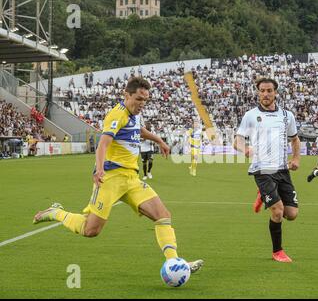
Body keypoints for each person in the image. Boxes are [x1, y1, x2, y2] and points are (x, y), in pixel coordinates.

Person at [33, 77, 203, 274]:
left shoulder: (135, 114)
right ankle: (55, 212)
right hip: (110, 178)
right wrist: (99, 170)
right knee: (91, 230)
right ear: (127, 95)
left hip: (131, 179)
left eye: (145, 100)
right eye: (139, 99)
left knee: (163, 216)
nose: (142, 104)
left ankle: (175, 263)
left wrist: (159, 141)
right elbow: (103, 144)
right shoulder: (117, 114)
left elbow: (138, 130)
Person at [233, 78, 300, 263]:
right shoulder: (251, 115)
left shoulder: (287, 116)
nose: (265, 94)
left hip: (282, 169)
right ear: (258, 92)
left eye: (269, 90)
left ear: (275, 92)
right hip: (261, 169)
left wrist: (295, 158)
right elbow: (236, 140)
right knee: (277, 212)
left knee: (291, 215)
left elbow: (295, 139)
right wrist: (244, 149)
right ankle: (277, 251)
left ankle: (263, 195)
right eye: (262, 90)